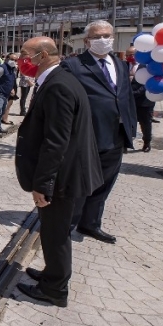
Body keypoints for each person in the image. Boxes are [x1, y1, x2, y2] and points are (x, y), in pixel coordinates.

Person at [14, 37, 103, 308]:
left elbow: (56, 142)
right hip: (66, 173)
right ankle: (52, 274)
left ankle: (55, 290)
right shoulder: (58, 80)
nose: (21, 60)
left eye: (25, 54)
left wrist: (43, 184)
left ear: (42, 55)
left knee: (56, 234)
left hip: (63, 177)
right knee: (53, 231)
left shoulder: (58, 86)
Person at [62, 20, 136, 244]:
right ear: (87, 41)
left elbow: (125, 97)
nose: (104, 40)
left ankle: (90, 223)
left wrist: (132, 127)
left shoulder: (120, 65)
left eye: (107, 35)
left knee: (104, 184)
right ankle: (67, 226)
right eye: (97, 37)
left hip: (116, 135)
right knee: (80, 186)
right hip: (88, 136)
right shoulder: (73, 66)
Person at [127, 45, 154, 152]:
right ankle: (127, 142)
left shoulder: (146, 67)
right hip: (127, 99)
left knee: (145, 123)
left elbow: (147, 84)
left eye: (131, 55)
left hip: (144, 100)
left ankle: (147, 142)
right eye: (127, 55)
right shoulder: (123, 65)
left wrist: (134, 93)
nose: (129, 57)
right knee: (127, 122)